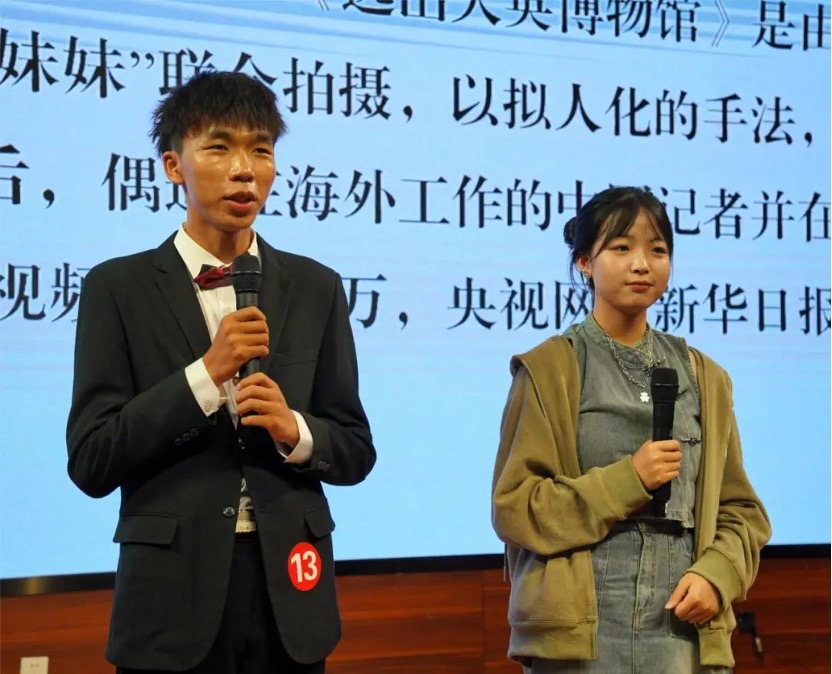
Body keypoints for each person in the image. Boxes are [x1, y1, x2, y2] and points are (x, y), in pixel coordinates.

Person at [66, 71, 376, 674]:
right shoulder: (117, 287)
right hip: (171, 597)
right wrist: (205, 378)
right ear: (173, 166)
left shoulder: (316, 286)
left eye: (261, 149)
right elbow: (92, 460)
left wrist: (294, 430)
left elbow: (355, 450)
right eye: (219, 147)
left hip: (291, 593)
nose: (244, 170)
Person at [491, 186, 771, 673]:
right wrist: (630, 480)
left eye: (657, 250)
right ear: (585, 262)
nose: (641, 264)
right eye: (621, 248)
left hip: (682, 624)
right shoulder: (550, 369)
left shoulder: (705, 376)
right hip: (581, 631)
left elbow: (742, 512)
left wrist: (717, 575)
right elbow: (516, 507)